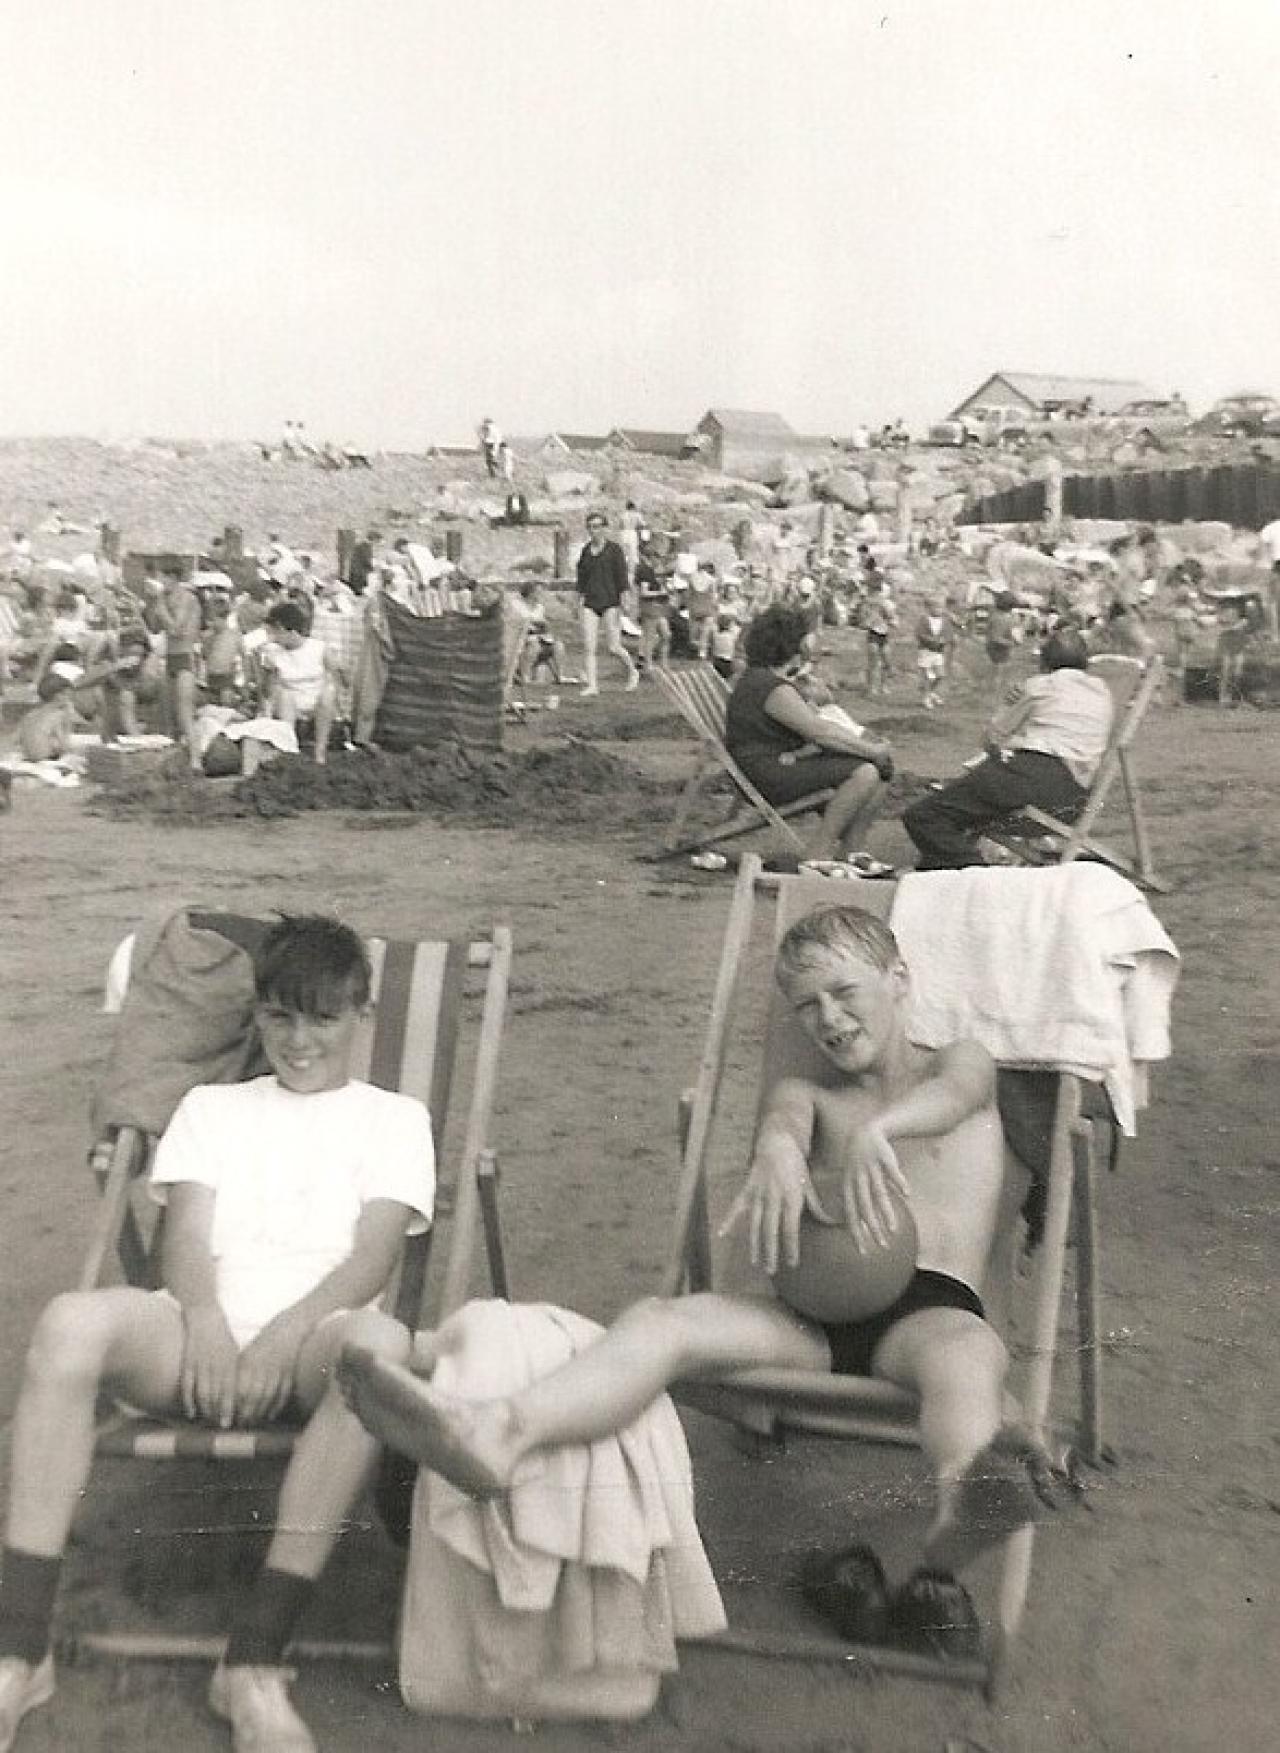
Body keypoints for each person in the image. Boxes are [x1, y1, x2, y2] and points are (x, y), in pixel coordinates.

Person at [339, 904, 1074, 1618]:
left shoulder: (958, 1061)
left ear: (900, 979)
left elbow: (957, 1095)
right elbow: (783, 1121)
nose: (828, 1017)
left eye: (844, 991)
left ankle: (967, 1497)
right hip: (809, 1317)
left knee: (968, 1360)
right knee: (662, 1320)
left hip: (929, 1310)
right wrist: (778, 1147)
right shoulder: (811, 1095)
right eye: (807, 1005)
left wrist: (881, 1130)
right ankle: (501, 1432)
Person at [0, 915, 435, 1753]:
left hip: (313, 1341)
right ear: (257, 1013)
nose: (299, 1040)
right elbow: (187, 1237)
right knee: (67, 1321)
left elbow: (374, 1256)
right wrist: (203, 1318)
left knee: (379, 1349)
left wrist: (283, 1334)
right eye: (279, 1015)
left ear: (363, 1016)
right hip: (194, 1333)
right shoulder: (212, 1107)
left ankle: (253, 1663)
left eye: (324, 1018)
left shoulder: (394, 1118)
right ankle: (19, 1651)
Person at [902, 629, 1114, 871]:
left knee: (924, 816)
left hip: (1031, 779)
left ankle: (974, 872)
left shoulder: (1039, 686)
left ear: (1044, 662)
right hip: (1076, 799)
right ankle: (945, 866)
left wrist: (1008, 704)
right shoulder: (1102, 691)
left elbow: (992, 737)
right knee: (966, 802)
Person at [724, 604, 893, 872]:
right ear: (792, 647)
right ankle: (817, 854)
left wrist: (869, 750)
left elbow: (821, 728)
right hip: (768, 773)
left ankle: (852, 852)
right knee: (865, 773)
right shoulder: (772, 689)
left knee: (880, 771)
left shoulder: (762, 680)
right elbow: (819, 732)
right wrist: (871, 750)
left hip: (779, 764)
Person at [258, 601, 340, 764]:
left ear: (285, 629)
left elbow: (336, 679)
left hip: (316, 702)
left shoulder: (318, 648)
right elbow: (267, 692)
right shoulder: (272, 652)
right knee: (286, 695)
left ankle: (320, 751)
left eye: (274, 632)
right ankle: (289, 749)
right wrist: (268, 671)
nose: (273, 637)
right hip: (287, 703)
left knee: (328, 692)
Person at [142, 572, 203, 770]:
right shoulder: (165, 598)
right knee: (168, 712)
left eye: (164, 579)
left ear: (173, 578)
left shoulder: (188, 598)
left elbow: (177, 629)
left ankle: (196, 762)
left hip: (186, 657)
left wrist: (161, 609)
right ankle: (175, 761)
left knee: (185, 713)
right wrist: (153, 604)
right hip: (171, 657)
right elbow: (154, 627)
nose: (161, 583)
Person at [575, 513, 638, 697]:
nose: (593, 531)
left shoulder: (614, 550)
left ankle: (632, 670)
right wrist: (576, 601)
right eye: (590, 527)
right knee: (589, 646)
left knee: (613, 647)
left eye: (596, 526)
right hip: (590, 602)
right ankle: (592, 685)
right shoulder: (586, 551)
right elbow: (581, 579)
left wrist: (625, 599)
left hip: (610, 601)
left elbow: (622, 577)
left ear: (604, 528)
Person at [913, 597, 952, 710]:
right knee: (928, 676)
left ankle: (931, 692)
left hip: (938, 651)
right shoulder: (924, 619)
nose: (939, 610)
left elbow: (948, 634)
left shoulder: (944, 621)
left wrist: (944, 640)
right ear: (929, 608)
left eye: (941, 607)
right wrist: (931, 640)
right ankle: (926, 697)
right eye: (936, 607)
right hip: (926, 651)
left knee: (940, 675)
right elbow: (919, 634)